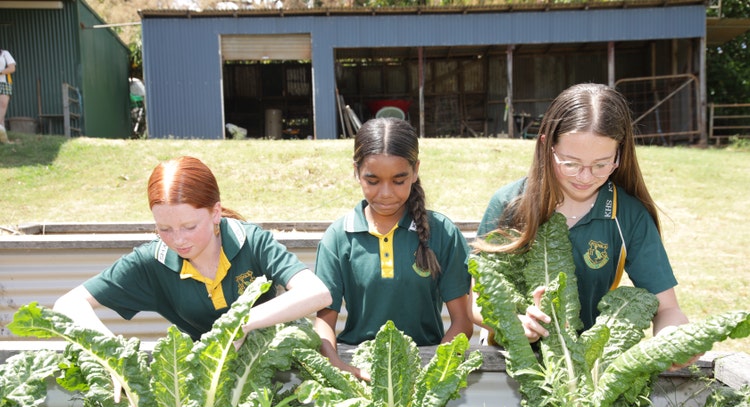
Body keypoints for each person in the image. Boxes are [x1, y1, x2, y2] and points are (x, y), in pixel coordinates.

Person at [472, 83, 689, 351]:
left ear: (620, 152)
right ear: (546, 146)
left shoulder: (629, 214)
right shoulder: (509, 202)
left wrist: (674, 337)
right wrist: (509, 322)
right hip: (511, 359)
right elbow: (477, 300)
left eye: (601, 164)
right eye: (571, 164)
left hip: (587, 362)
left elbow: (668, 309)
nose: (585, 178)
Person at [54, 156, 332, 343]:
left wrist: (239, 325)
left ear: (215, 213)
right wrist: (110, 353)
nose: (178, 240)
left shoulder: (253, 241)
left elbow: (316, 293)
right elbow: (67, 304)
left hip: (264, 381)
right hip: (204, 388)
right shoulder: (151, 261)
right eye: (164, 229)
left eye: (189, 226)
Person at [314, 117, 474, 380]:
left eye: (399, 181)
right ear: (356, 172)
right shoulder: (338, 237)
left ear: (415, 170)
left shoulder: (443, 233)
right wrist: (338, 367)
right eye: (373, 181)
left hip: (426, 367)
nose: (386, 193)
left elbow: (463, 322)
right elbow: (324, 321)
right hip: (357, 369)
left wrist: (435, 372)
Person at [0, 47, 16, 144]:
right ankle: (4, 139)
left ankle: (3, 138)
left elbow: (12, 68)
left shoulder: (5, 53)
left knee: (2, 106)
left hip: (4, 83)